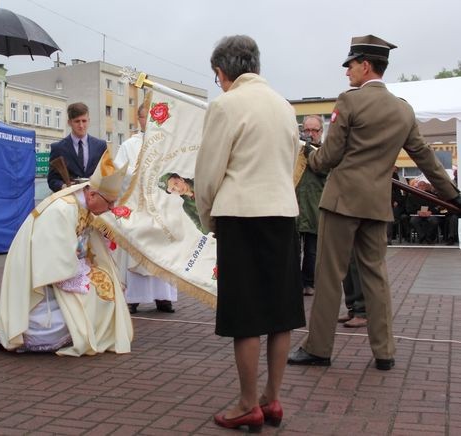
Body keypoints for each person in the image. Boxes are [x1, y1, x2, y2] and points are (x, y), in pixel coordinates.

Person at [288, 35, 461, 371]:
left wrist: (310, 154)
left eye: (350, 65)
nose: (347, 72)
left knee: (328, 275)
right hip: (377, 205)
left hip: (341, 202)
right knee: (376, 278)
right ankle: (384, 351)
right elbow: (424, 158)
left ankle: (319, 347)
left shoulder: (349, 102)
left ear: (365, 65)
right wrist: (452, 194)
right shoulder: (403, 109)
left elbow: (329, 158)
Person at [195, 35, 305, 432]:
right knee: (280, 313)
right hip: (281, 214)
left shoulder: (226, 104)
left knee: (245, 316)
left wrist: (209, 218)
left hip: (240, 215)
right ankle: (272, 399)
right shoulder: (283, 106)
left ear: (222, 72)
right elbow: (292, 162)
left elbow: (208, 172)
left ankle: (246, 402)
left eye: (216, 77)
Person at [0, 144, 133, 356]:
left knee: (99, 291)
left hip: (57, 268)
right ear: (93, 195)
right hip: (40, 273)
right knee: (63, 319)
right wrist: (86, 271)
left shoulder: (83, 203)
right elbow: (55, 258)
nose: (111, 209)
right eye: (109, 203)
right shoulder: (63, 209)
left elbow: (83, 240)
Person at [114, 104, 177, 314]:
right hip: (136, 208)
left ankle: (163, 297)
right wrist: (141, 175)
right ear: (138, 119)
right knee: (135, 250)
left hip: (159, 207)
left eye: (150, 118)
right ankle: (133, 297)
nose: (146, 122)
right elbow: (119, 172)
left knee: (161, 251)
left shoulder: (165, 144)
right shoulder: (128, 145)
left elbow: (172, 171)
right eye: (143, 117)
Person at [296, 115, 327, 296]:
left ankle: (309, 283)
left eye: (314, 130)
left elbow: (323, 169)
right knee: (294, 250)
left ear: (321, 132)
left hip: (315, 207)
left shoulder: (324, 152)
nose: (310, 134)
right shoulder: (296, 151)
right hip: (296, 207)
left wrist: (309, 151)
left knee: (312, 251)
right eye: (306, 130)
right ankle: (295, 283)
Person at [47, 102, 107, 192]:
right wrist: (63, 186)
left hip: (94, 199)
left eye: (84, 121)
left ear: (89, 120)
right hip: (70, 200)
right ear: (69, 122)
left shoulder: (100, 146)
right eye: (77, 121)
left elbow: (107, 173)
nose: (81, 125)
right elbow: (52, 180)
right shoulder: (58, 148)